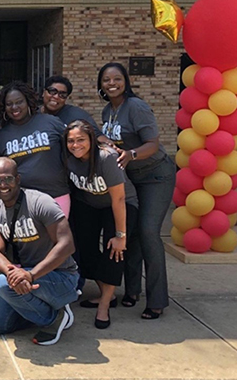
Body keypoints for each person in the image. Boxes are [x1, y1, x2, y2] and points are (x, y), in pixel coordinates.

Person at [97, 62, 175, 320]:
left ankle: (157, 300)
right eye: (106, 80)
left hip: (155, 175)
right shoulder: (108, 110)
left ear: (125, 81)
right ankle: (132, 292)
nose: (111, 84)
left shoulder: (137, 107)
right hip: (130, 176)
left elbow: (153, 144)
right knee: (129, 233)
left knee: (149, 232)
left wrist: (131, 154)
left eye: (117, 79)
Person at [0, 157, 79, 346]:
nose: (2, 185)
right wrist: (15, 275)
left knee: (2, 284)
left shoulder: (40, 202)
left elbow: (67, 244)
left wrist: (30, 275)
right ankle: (48, 311)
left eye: (8, 179)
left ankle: (56, 317)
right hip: (24, 275)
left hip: (60, 277)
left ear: (18, 179)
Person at [63, 120, 138, 329]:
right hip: (89, 203)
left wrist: (121, 235)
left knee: (114, 250)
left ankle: (104, 304)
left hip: (120, 204)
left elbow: (119, 199)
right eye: (71, 141)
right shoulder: (69, 159)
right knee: (84, 249)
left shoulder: (106, 158)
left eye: (81, 140)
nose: (75, 145)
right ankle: (106, 291)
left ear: (92, 140)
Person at [0, 81, 70, 216]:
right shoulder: (1, 136)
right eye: (9, 104)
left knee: (58, 236)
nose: (14, 107)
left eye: (19, 102)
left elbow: (72, 147)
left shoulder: (50, 122)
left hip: (56, 195)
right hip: (22, 201)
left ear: (28, 101)